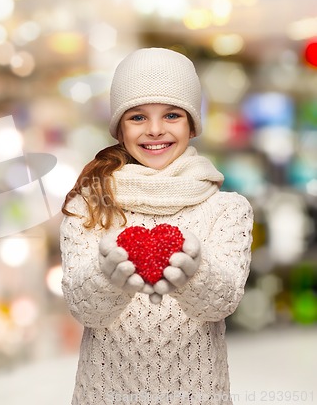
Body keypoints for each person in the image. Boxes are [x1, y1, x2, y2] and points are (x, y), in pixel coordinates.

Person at [59, 48, 253, 405]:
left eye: (172, 114)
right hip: (106, 395)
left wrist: (193, 272)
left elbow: (222, 303)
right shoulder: (88, 206)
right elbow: (83, 308)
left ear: (192, 124)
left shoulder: (227, 209)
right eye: (137, 117)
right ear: (119, 126)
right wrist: (108, 275)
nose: (155, 130)